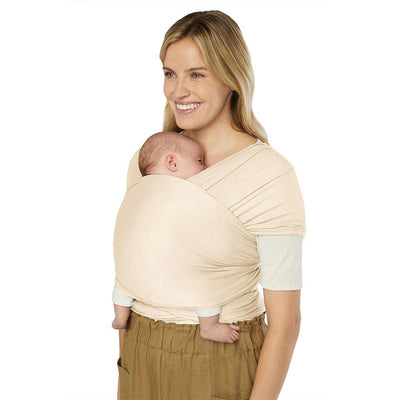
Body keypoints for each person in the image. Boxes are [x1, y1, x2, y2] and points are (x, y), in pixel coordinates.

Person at [115, 10, 306, 400]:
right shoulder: (148, 162)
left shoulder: (268, 176)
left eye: (197, 75)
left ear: (232, 78)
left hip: (217, 357)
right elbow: (137, 268)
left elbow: (285, 322)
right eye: (170, 74)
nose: (178, 91)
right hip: (140, 350)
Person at [112, 130, 240, 344]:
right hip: (176, 269)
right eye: (199, 161)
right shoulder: (187, 193)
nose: (205, 167)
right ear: (172, 163)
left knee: (123, 282)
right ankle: (209, 326)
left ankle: (120, 315)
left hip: (136, 273)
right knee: (208, 285)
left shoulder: (139, 192)